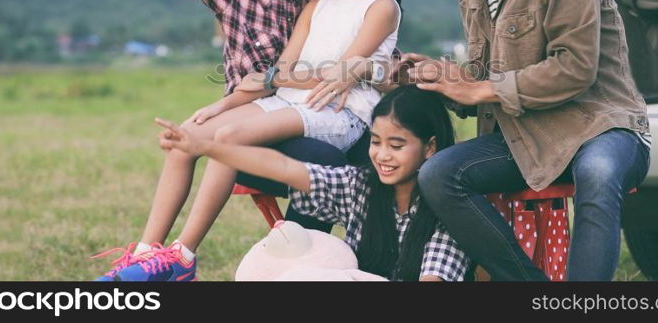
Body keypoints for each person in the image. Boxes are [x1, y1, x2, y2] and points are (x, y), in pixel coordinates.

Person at [21, 0, 358, 269]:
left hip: (310, 131)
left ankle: (298, 267)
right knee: (186, 138)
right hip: (245, 128)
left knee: (322, 159)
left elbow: (374, 46)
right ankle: (149, 259)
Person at [95, 0, 405, 281]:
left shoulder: (381, 6)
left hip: (339, 114)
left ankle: (183, 256)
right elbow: (280, 75)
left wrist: (289, 75)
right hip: (290, 102)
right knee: (187, 138)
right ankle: (145, 257)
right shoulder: (316, 6)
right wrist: (221, 104)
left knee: (230, 139)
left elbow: (343, 70)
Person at [404, 0, 651, 281]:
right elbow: (485, 84)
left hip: (600, 126)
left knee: (596, 171)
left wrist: (481, 86)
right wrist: (445, 79)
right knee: (439, 174)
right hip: (524, 138)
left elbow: (575, 67)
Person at [156, 85, 470, 281]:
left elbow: (435, 279)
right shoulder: (361, 186)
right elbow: (284, 168)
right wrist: (205, 146)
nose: (382, 156)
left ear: (429, 147)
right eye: (375, 142)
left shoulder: (447, 209)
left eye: (397, 146)